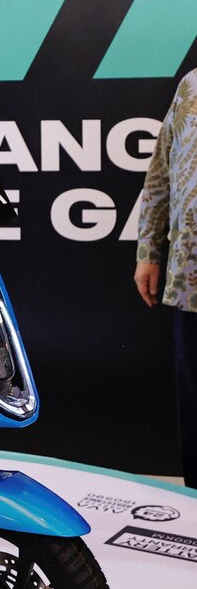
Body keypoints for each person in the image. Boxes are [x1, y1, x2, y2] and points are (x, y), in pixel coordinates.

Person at [135, 69, 197, 489]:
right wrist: (149, 250)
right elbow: (161, 170)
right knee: (195, 406)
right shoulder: (192, 84)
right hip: (191, 279)